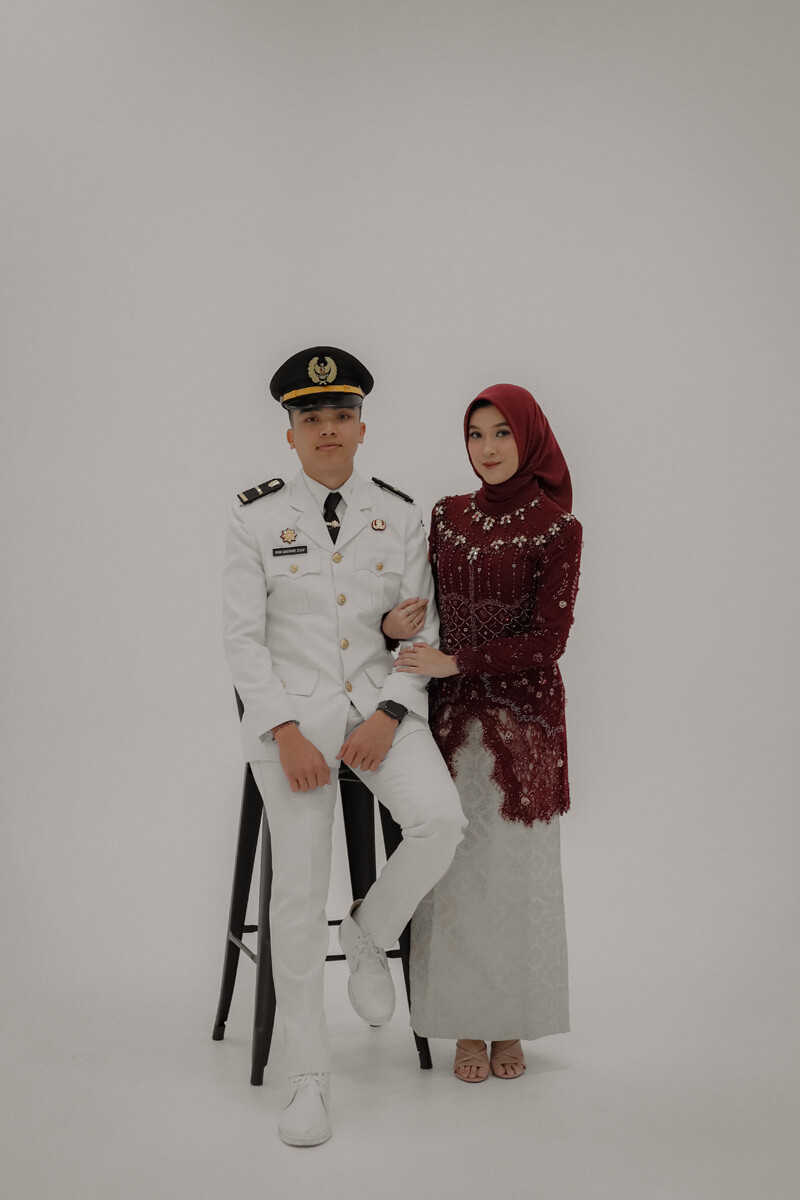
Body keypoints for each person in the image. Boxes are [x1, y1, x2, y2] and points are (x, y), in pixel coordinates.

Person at [222, 346, 465, 1145]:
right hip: (290, 722)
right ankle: (309, 1078)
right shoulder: (254, 517)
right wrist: (284, 731)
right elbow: (243, 643)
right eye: (310, 417)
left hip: (376, 710)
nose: (327, 428)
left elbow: (419, 632)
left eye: (341, 414)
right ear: (289, 433)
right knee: (297, 891)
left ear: (362, 426)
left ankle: (368, 931)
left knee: (440, 823)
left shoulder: (400, 513)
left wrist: (390, 714)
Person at [385, 383, 581, 1083]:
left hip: (523, 726)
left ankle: (509, 1024)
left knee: (513, 877)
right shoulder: (446, 516)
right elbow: (417, 604)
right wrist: (393, 627)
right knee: (456, 874)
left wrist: (458, 662)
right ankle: (466, 1023)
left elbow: (549, 640)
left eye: (502, 433)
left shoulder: (557, 528)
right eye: (476, 434)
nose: (488, 448)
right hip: (447, 724)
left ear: (529, 439)